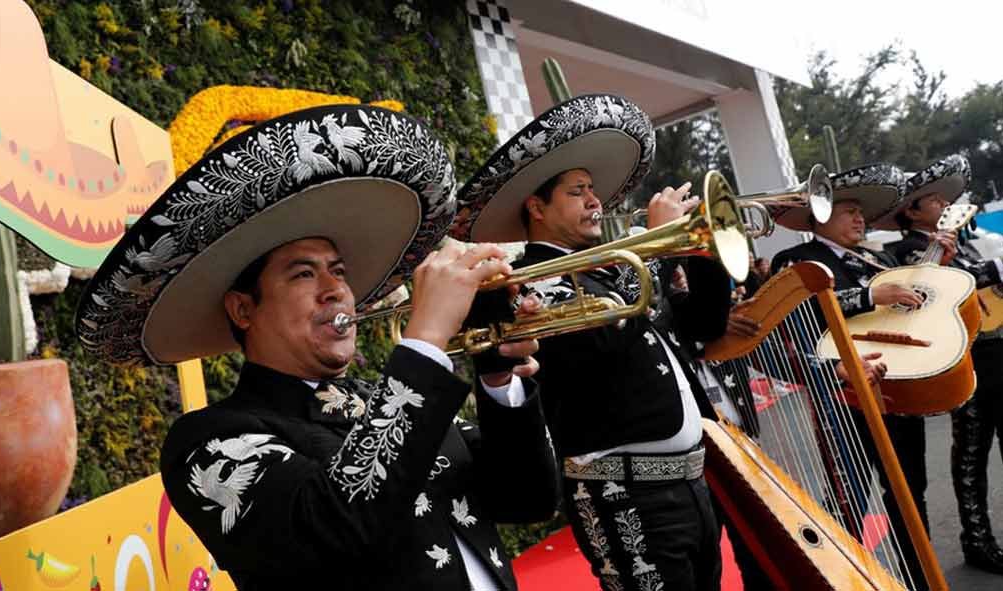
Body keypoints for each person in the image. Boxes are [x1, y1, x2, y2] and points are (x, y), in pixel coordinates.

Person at [76, 105, 557, 590]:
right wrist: (426, 338)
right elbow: (340, 526)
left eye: (340, 271)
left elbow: (528, 499)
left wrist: (499, 378)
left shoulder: (387, 399)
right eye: (304, 274)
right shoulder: (206, 441)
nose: (336, 290)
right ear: (243, 310)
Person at [454, 94, 732, 591]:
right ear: (536, 207)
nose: (594, 200)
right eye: (577, 191)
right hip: (626, 492)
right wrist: (659, 246)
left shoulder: (612, 270)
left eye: (593, 190)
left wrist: (704, 249)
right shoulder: (526, 281)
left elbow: (704, 326)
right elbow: (604, 343)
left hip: (690, 482)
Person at [771, 162, 956, 590]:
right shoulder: (796, 260)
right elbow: (795, 315)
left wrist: (935, 276)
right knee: (847, 499)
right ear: (819, 214)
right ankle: (845, 581)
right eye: (847, 209)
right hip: (842, 399)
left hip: (896, 391)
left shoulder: (882, 258)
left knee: (911, 492)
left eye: (861, 211)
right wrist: (869, 294)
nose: (859, 218)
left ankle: (921, 576)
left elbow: (914, 312)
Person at [875, 154, 1003, 575]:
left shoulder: (960, 241)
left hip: (996, 352)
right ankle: (977, 540)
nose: (944, 206)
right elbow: (934, 290)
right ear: (910, 211)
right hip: (967, 361)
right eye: (933, 200)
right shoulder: (905, 251)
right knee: (971, 456)